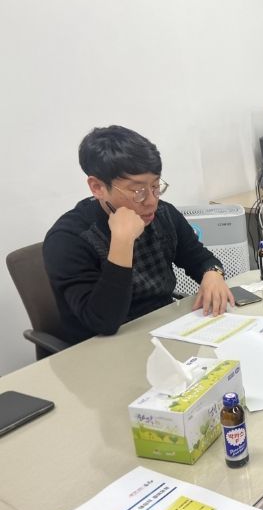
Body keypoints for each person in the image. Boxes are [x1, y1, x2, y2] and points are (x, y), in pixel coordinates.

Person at [43, 125, 234, 346]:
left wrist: (213, 273)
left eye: (155, 186)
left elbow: (201, 259)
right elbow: (103, 322)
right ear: (97, 187)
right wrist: (122, 242)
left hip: (163, 332)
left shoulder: (163, 214)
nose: (152, 201)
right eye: (138, 191)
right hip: (102, 348)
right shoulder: (68, 239)